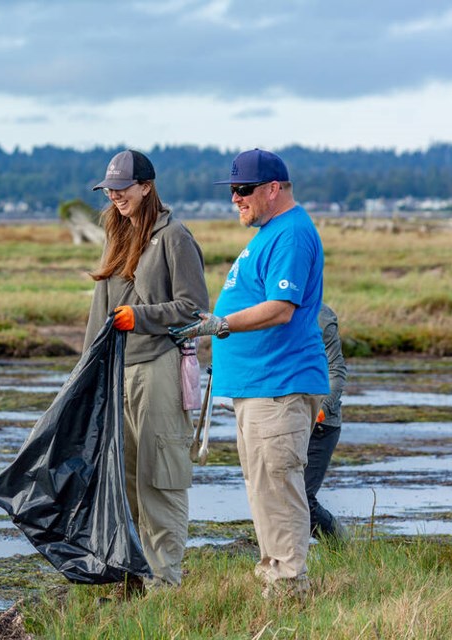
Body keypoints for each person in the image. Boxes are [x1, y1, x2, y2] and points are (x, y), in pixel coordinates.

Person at [170, 148, 328, 599]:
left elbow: (281, 309)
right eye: (232, 191)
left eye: (243, 190)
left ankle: (288, 585)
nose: (235, 199)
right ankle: (277, 576)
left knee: (277, 486)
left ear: (273, 189)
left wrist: (220, 323)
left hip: (279, 386)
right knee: (263, 487)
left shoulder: (292, 234)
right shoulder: (270, 232)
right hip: (258, 386)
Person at [83, 149, 209, 591]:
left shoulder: (175, 236)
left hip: (159, 367)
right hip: (118, 372)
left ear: (146, 186)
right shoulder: (115, 233)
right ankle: (131, 582)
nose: (115, 195)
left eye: (122, 187)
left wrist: (144, 318)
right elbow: (100, 311)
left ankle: (165, 587)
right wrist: (86, 374)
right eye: (110, 189)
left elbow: (195, 308)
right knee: (125, 481)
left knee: (160, 480)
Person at [307, 303, 348, 540]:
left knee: (302, 498)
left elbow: (337, 369)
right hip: (286, 419)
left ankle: (342, 548)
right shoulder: (269, 310)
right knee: (276, 494)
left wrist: (320, 411)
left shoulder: (320, 316)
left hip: (322, 426)